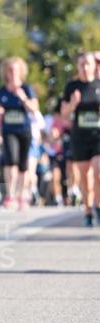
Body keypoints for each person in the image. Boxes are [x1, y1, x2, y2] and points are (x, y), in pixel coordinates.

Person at [61, 51, 100, 227]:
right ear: (77, 67)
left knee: (98, 173)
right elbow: (63, 113)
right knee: (85, 177)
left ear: (94, 66)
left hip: (98, 135)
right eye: (81, 64)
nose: (84, 67)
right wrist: (73, 104)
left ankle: (98, 206)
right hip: (80, 136)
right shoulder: (72, 86)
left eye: (88, 64)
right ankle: (88, 211)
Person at [0, 57, 39, 209]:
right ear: (6, 73)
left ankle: (21, 195)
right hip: (8, 131)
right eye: (10, 70)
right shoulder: (1, 91)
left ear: (21, 72)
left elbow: (34, 109)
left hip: (24, 130)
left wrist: (23, 98)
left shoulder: (27, 89)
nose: (13, 73)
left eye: (16, 70)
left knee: (22, 164)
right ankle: (10, 194)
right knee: (10, 161)